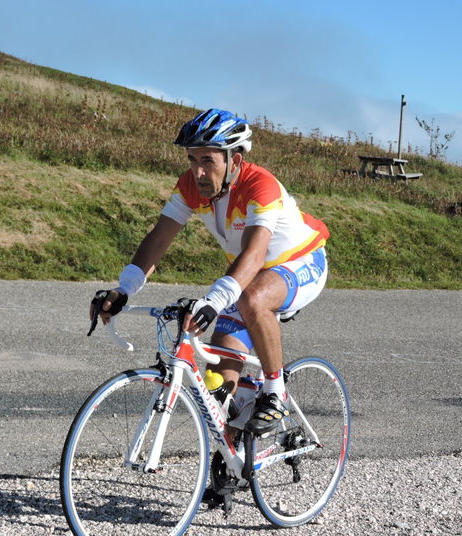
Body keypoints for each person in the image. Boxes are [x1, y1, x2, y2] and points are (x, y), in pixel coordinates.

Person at [90, 108, 329, 437]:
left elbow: (256, 251)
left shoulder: (260, 185)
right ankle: (229, 471)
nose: (198, 171)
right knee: (220, 383)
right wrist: (125, 289)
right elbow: (159, 239)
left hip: (301, 262)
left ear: (235, 160)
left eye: (208, 161)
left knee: (252, 298)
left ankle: (276, 393)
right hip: (247, 275)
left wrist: (214, 300)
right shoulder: (191, 186)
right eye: (192, 160)